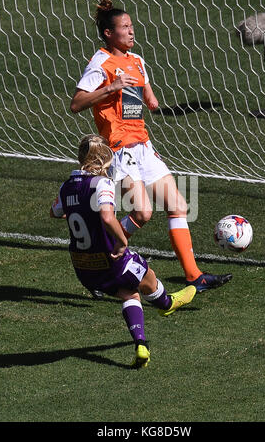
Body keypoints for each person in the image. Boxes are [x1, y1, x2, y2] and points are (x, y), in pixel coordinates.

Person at [70, 0, 232, 290]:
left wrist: (153, 100)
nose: (132, 32)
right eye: (125, 27)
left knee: (177, 205)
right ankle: (105, 262)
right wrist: (110, 87)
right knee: (143, 212)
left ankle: (195, 276)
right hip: (118, 150)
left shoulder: (138, 61)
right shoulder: (101, 63)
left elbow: (147, 93)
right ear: (109, 33)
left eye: (132, 26)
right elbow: (76, 103)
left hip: (143, 146)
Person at [50, 134, 199, 369]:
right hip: (110, 259)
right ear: (102, 161)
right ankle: (167, 305)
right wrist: (121, 241)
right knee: (146, 277)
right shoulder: (102, 184)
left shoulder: (65, 186)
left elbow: (56, 212)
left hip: (82, 266)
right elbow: (108, 217)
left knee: (130, 294)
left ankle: (142, 345)